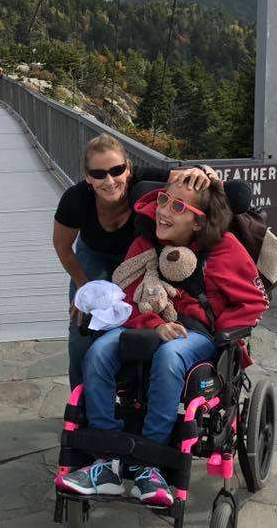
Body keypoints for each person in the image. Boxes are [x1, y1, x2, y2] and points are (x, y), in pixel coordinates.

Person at [57, 178, 269, 505]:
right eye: (163, 201)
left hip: (198, 334)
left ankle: (149, 464)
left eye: (177, 206)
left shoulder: (225, 249)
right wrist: (155, 324)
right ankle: (106, 460)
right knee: (98, 352)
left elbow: (254, 301)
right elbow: (126, 300)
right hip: (146, 325)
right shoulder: (145, 245)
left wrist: (221, 332)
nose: (164, 211)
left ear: (199, 220)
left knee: (169, 357)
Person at [53, 135, 217, 389]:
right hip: (93, 255)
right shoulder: (75, 200)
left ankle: (130, 392)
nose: (109, 180)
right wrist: (84, 287)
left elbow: (187, 178)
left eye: (116, 170)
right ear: (87, 177)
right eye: (99, 174)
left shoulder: (144, 181)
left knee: (138, 315)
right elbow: (62, 247)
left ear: (128, 168)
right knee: (83, 329)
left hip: (137, 256)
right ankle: (81, 406)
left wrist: (203, 171)